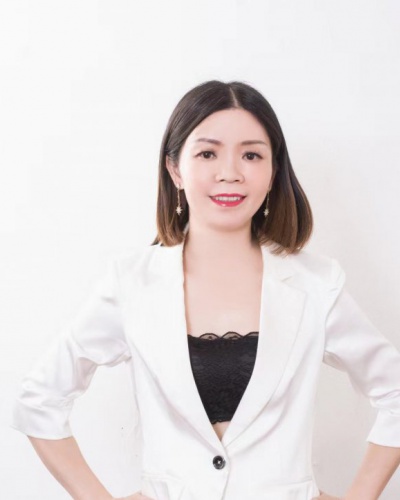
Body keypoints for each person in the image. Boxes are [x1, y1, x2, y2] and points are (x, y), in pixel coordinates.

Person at [10, 80, 400, 500]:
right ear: (175, 169)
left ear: (273, 172)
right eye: (208, 153)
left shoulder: (317, 283)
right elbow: (40, 401)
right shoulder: (131, 282)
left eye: (251, 155)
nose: (230, 172)